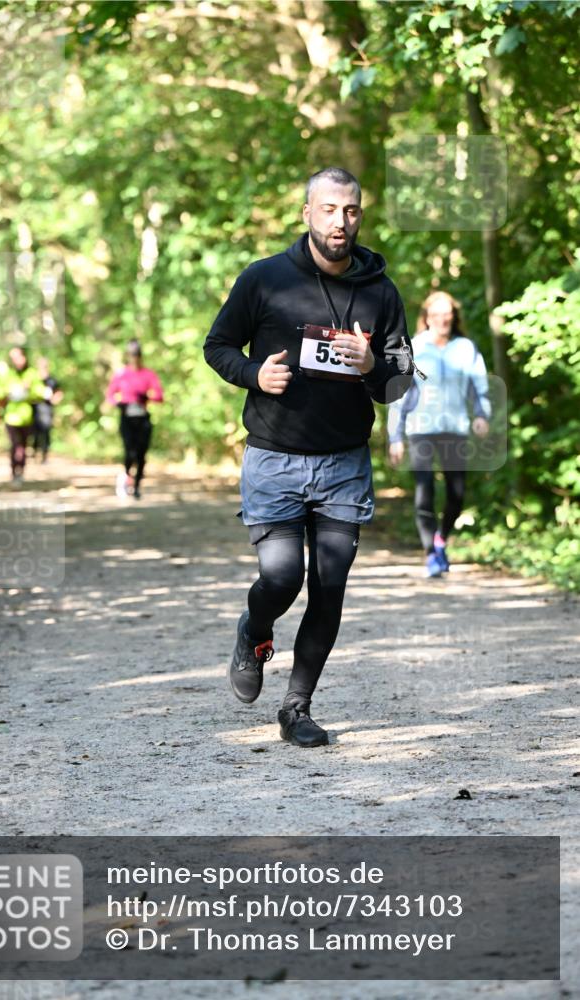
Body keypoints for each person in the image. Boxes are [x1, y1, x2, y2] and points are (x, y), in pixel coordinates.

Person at [204, 166, 414, 748]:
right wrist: (254, 375)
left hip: (344, 464)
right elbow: (218, 345)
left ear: (360, 216)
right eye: (328, 209)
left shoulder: (380, 291)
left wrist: (372, 367)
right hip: (274, 458)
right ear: (307, 214)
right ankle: (254, 630)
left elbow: (399, 379)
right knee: (280, 577)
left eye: (350, 210)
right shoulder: (264, 278)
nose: (339, 221)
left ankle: (296, 708)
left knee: (329, 586)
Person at [387, 290, 491, 578]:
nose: (442, 319)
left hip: (455, 428)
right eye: (436, 314)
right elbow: (399, 395)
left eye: (447, 314)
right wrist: (395, 437)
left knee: (457, 493)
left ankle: (441, 539)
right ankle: (431, 554)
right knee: (425, 491)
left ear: (453, 317)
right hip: (420, 428)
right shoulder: (414, 347)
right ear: (427, 317)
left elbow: (479, 386)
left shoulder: (466, 348)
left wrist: (481, 415)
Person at [105, 341, 163, 499]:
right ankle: (125, 478)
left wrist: (147, 397)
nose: (134, 358)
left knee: (141, 454)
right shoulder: (121, 374)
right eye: (132, 354)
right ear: (128, 356)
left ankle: (137, 486)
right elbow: (110, 395)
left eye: (137, 354)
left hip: (142, 418)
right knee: (129, 451)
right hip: (127, 418)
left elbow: (159, 395)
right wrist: (119, 403)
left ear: (140, 356)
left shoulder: (148, 374)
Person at [0, 346, 45, 485]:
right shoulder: (7, 375)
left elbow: (40, 392)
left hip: (27, 416)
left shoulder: (32, 373)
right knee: (15, 445)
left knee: (23, 445)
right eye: (14, 358)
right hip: (11, 417)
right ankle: (14, 471)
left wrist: (28, 391)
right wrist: (10, 391)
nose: (17, 360)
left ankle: (21, 471)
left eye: (19, 357)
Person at [33, 357, 64, 463]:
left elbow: (59, 393)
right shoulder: (34, 379)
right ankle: (35, 453)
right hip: (34, 410)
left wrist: (54, 399)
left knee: (46, 433)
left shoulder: (52, 380)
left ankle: (44, 455)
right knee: (34, 433)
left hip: (47, 410)